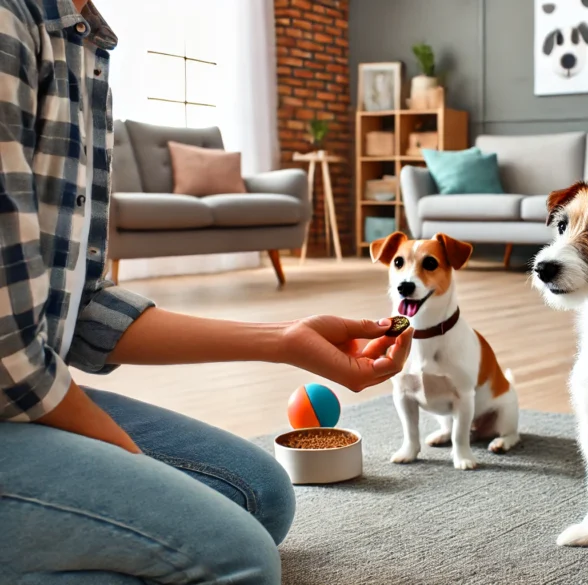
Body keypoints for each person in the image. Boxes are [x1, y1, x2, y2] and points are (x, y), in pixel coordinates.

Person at [0, 0, 414, 582]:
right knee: (238, 559)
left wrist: (286, 340)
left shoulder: (80, 39)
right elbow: (8, 354)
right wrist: (133, 467)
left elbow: (84, 306)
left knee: (258, 495)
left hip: (16, 394)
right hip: (9, 385)